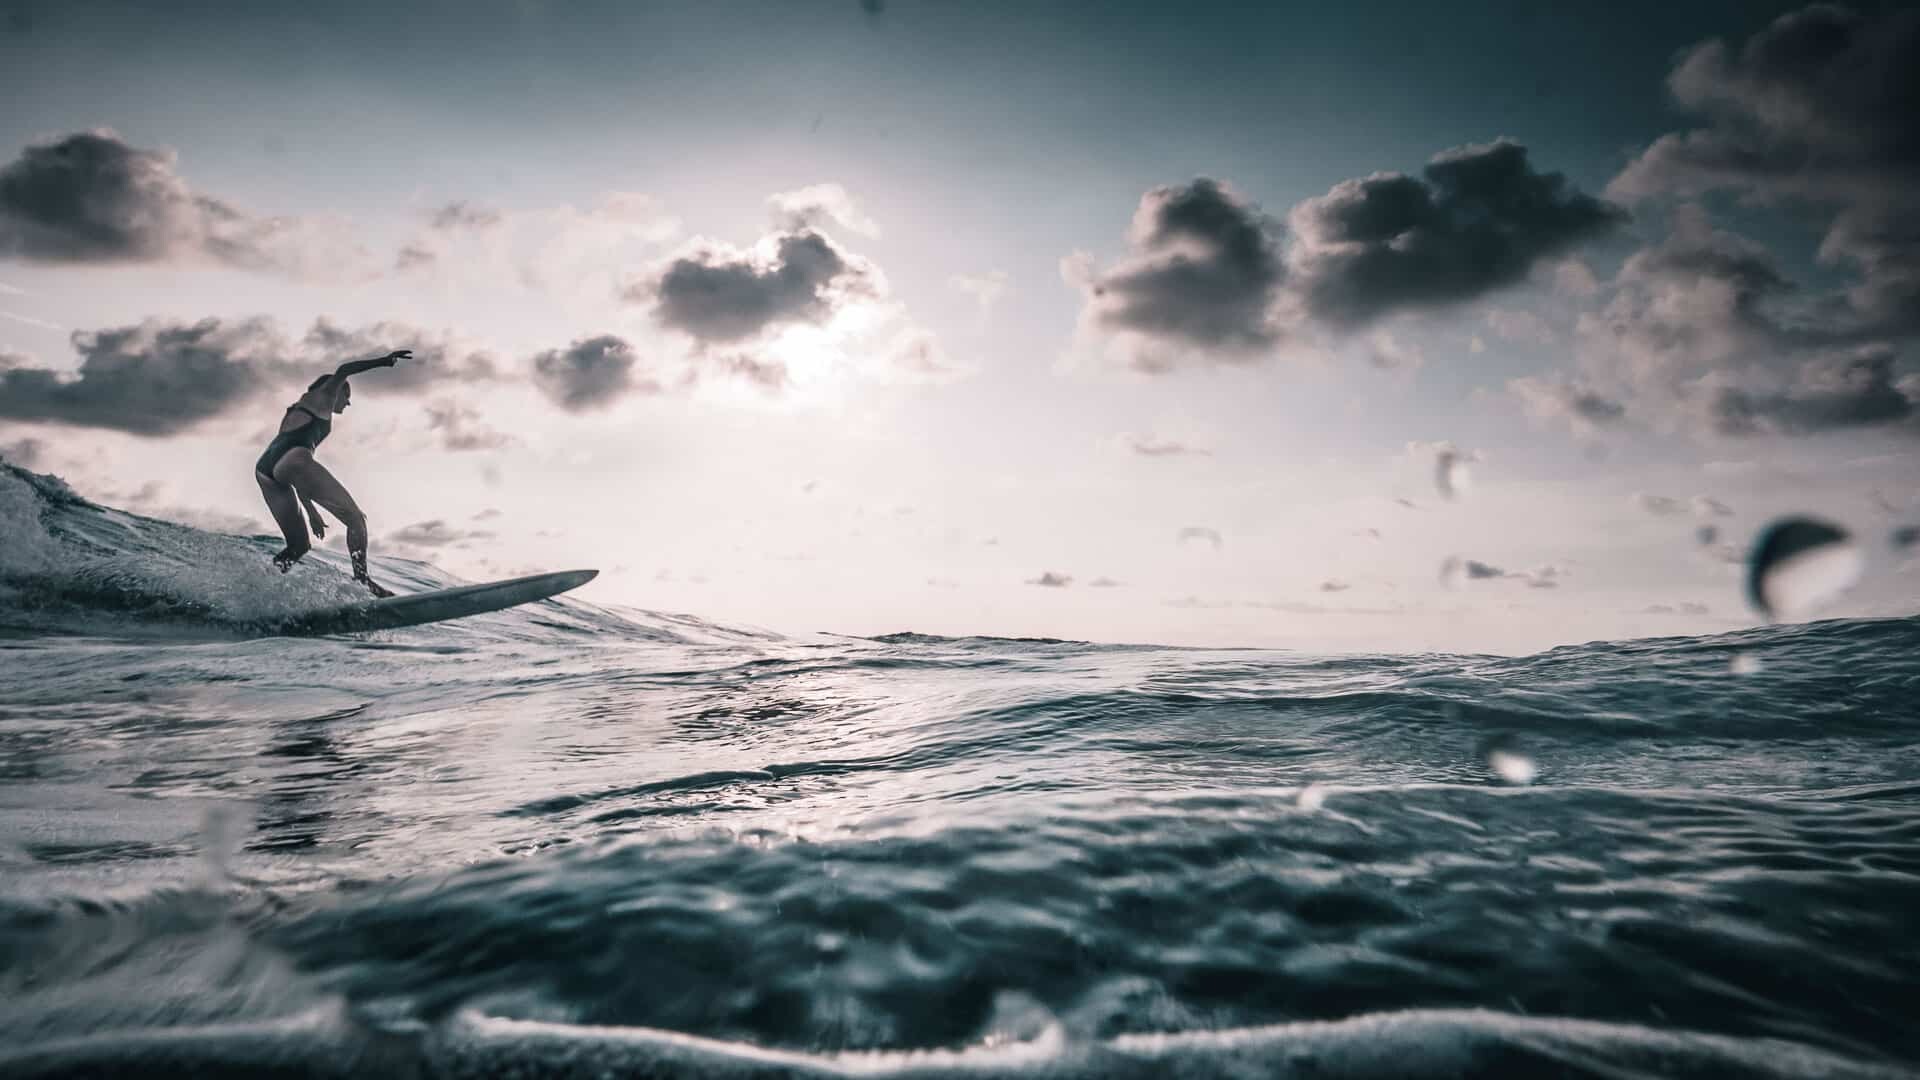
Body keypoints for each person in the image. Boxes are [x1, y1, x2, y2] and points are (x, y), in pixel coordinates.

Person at [254, 349, 411, 597]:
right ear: (335, 390)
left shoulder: (298, 408)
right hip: (292, 460)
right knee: (356, 519)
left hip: (266, 470)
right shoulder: (323, 396)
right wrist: (383, 361)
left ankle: (258, 589)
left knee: (298, 546)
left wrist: (311, 511)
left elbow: (294, 469)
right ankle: (362, 581)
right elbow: (344, 370)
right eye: (346, 396)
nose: (347, 402)